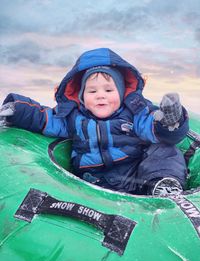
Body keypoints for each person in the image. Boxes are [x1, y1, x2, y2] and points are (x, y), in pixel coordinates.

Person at [0, 48, 189, 196]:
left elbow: (152, 128)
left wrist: (168, 123)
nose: (101, 96)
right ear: (81, 97)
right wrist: (18, 109)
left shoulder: (135, 113)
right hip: (92, 182)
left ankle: (163, 184)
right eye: (92, 91)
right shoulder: (73, 118)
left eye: (108, 91)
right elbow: (45, 119)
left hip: (134, 177)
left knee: (163, 147)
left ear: (121, 93)